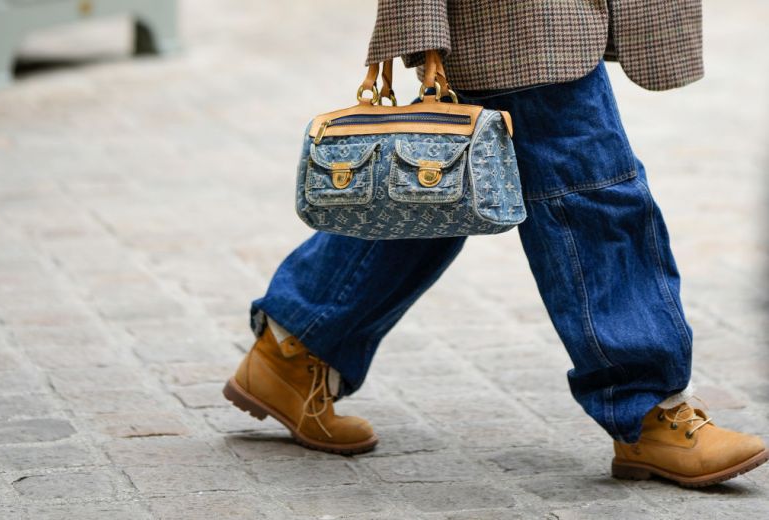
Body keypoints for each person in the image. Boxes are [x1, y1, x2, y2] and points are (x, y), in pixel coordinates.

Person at [222, 0, 768, 486]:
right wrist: (415, 16)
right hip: (521, 15)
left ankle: (296, 348)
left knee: (435, 193)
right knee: (594, 198)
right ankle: (645, 408)